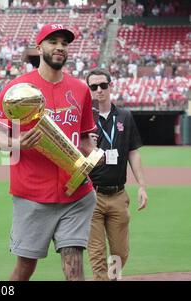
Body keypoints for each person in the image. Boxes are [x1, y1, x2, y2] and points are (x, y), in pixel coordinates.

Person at [0, 24, 98, 281]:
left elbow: (84, 139)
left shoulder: (80, 89)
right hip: (32, 195)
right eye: (52, 41)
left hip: (76, 194)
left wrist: (93, 156)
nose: (60, 47)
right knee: (25, 267)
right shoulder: (18, 89)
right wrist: (19, 144)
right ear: (39, 48)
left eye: (64, 42)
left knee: (74, 266)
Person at [86, 68, 148, 280]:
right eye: (93, 87)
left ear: (110, 86)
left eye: (103, 85)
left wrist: (141, 185)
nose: (99, 90)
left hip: (118, 194)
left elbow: (133, 151)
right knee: (96, 253)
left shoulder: (125, 116)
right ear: (89, 90)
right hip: (91, 195)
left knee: (120, 253)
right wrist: (85, 147)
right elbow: (71, 158)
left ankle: (112, 278)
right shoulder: (83, 119)